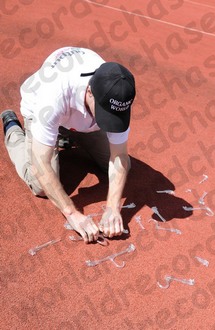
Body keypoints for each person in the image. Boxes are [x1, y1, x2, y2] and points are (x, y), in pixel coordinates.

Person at [1, 46, 136, 243]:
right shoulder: (52, 96)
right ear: (89, 92)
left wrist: (113, 209)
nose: (109, 122)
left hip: (76, 119)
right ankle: (12, 128)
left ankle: (62, 137)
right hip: (41, 112)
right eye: (105, 114)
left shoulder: (117, 93)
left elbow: (119, 157)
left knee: (124, 165)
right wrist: (72, 214)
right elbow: (41, 164)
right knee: (39, 185)